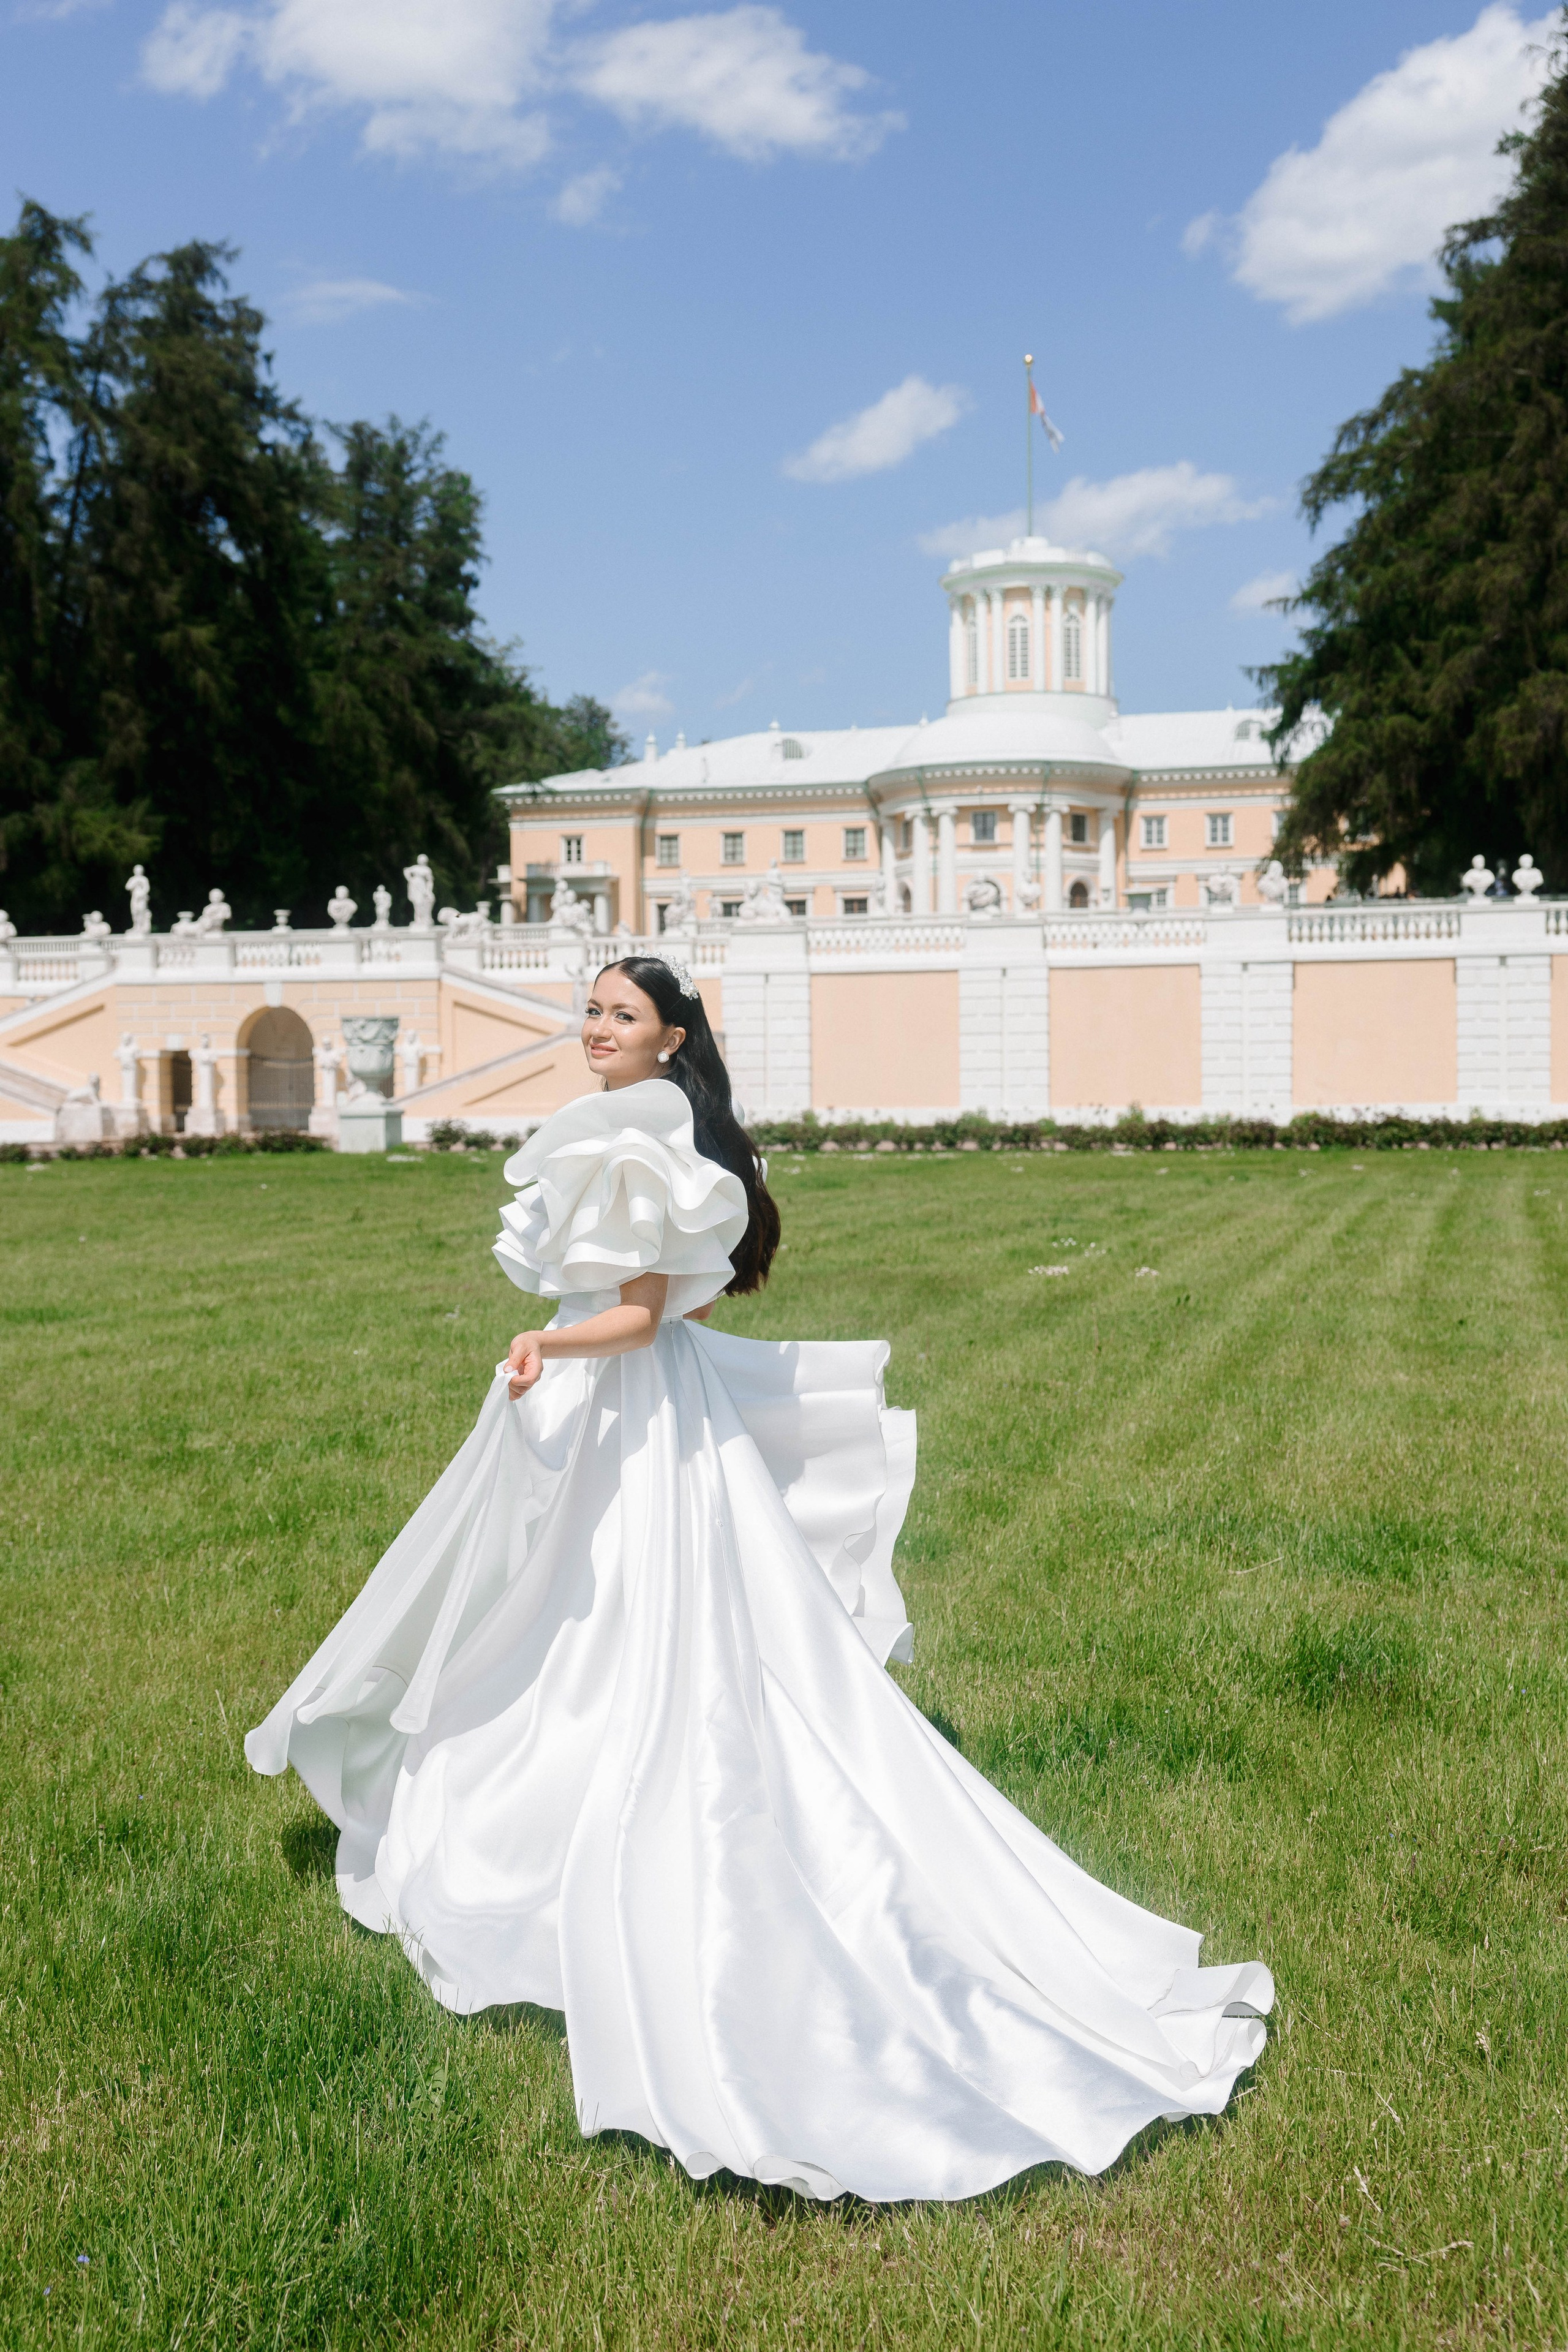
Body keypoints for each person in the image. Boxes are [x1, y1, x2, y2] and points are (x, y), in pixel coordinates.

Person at [247, 954, 1272, 2202]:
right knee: (570, 1618)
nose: (596, 1029)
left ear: (672, 1037)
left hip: (624, 1405)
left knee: (603, 1624)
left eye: (622, 1015)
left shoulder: (644, 1144)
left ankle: (563, 1828)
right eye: (591, 1011)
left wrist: (544, 1341)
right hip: (636, 1407)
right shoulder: (650, 1131)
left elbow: (640, 1316)